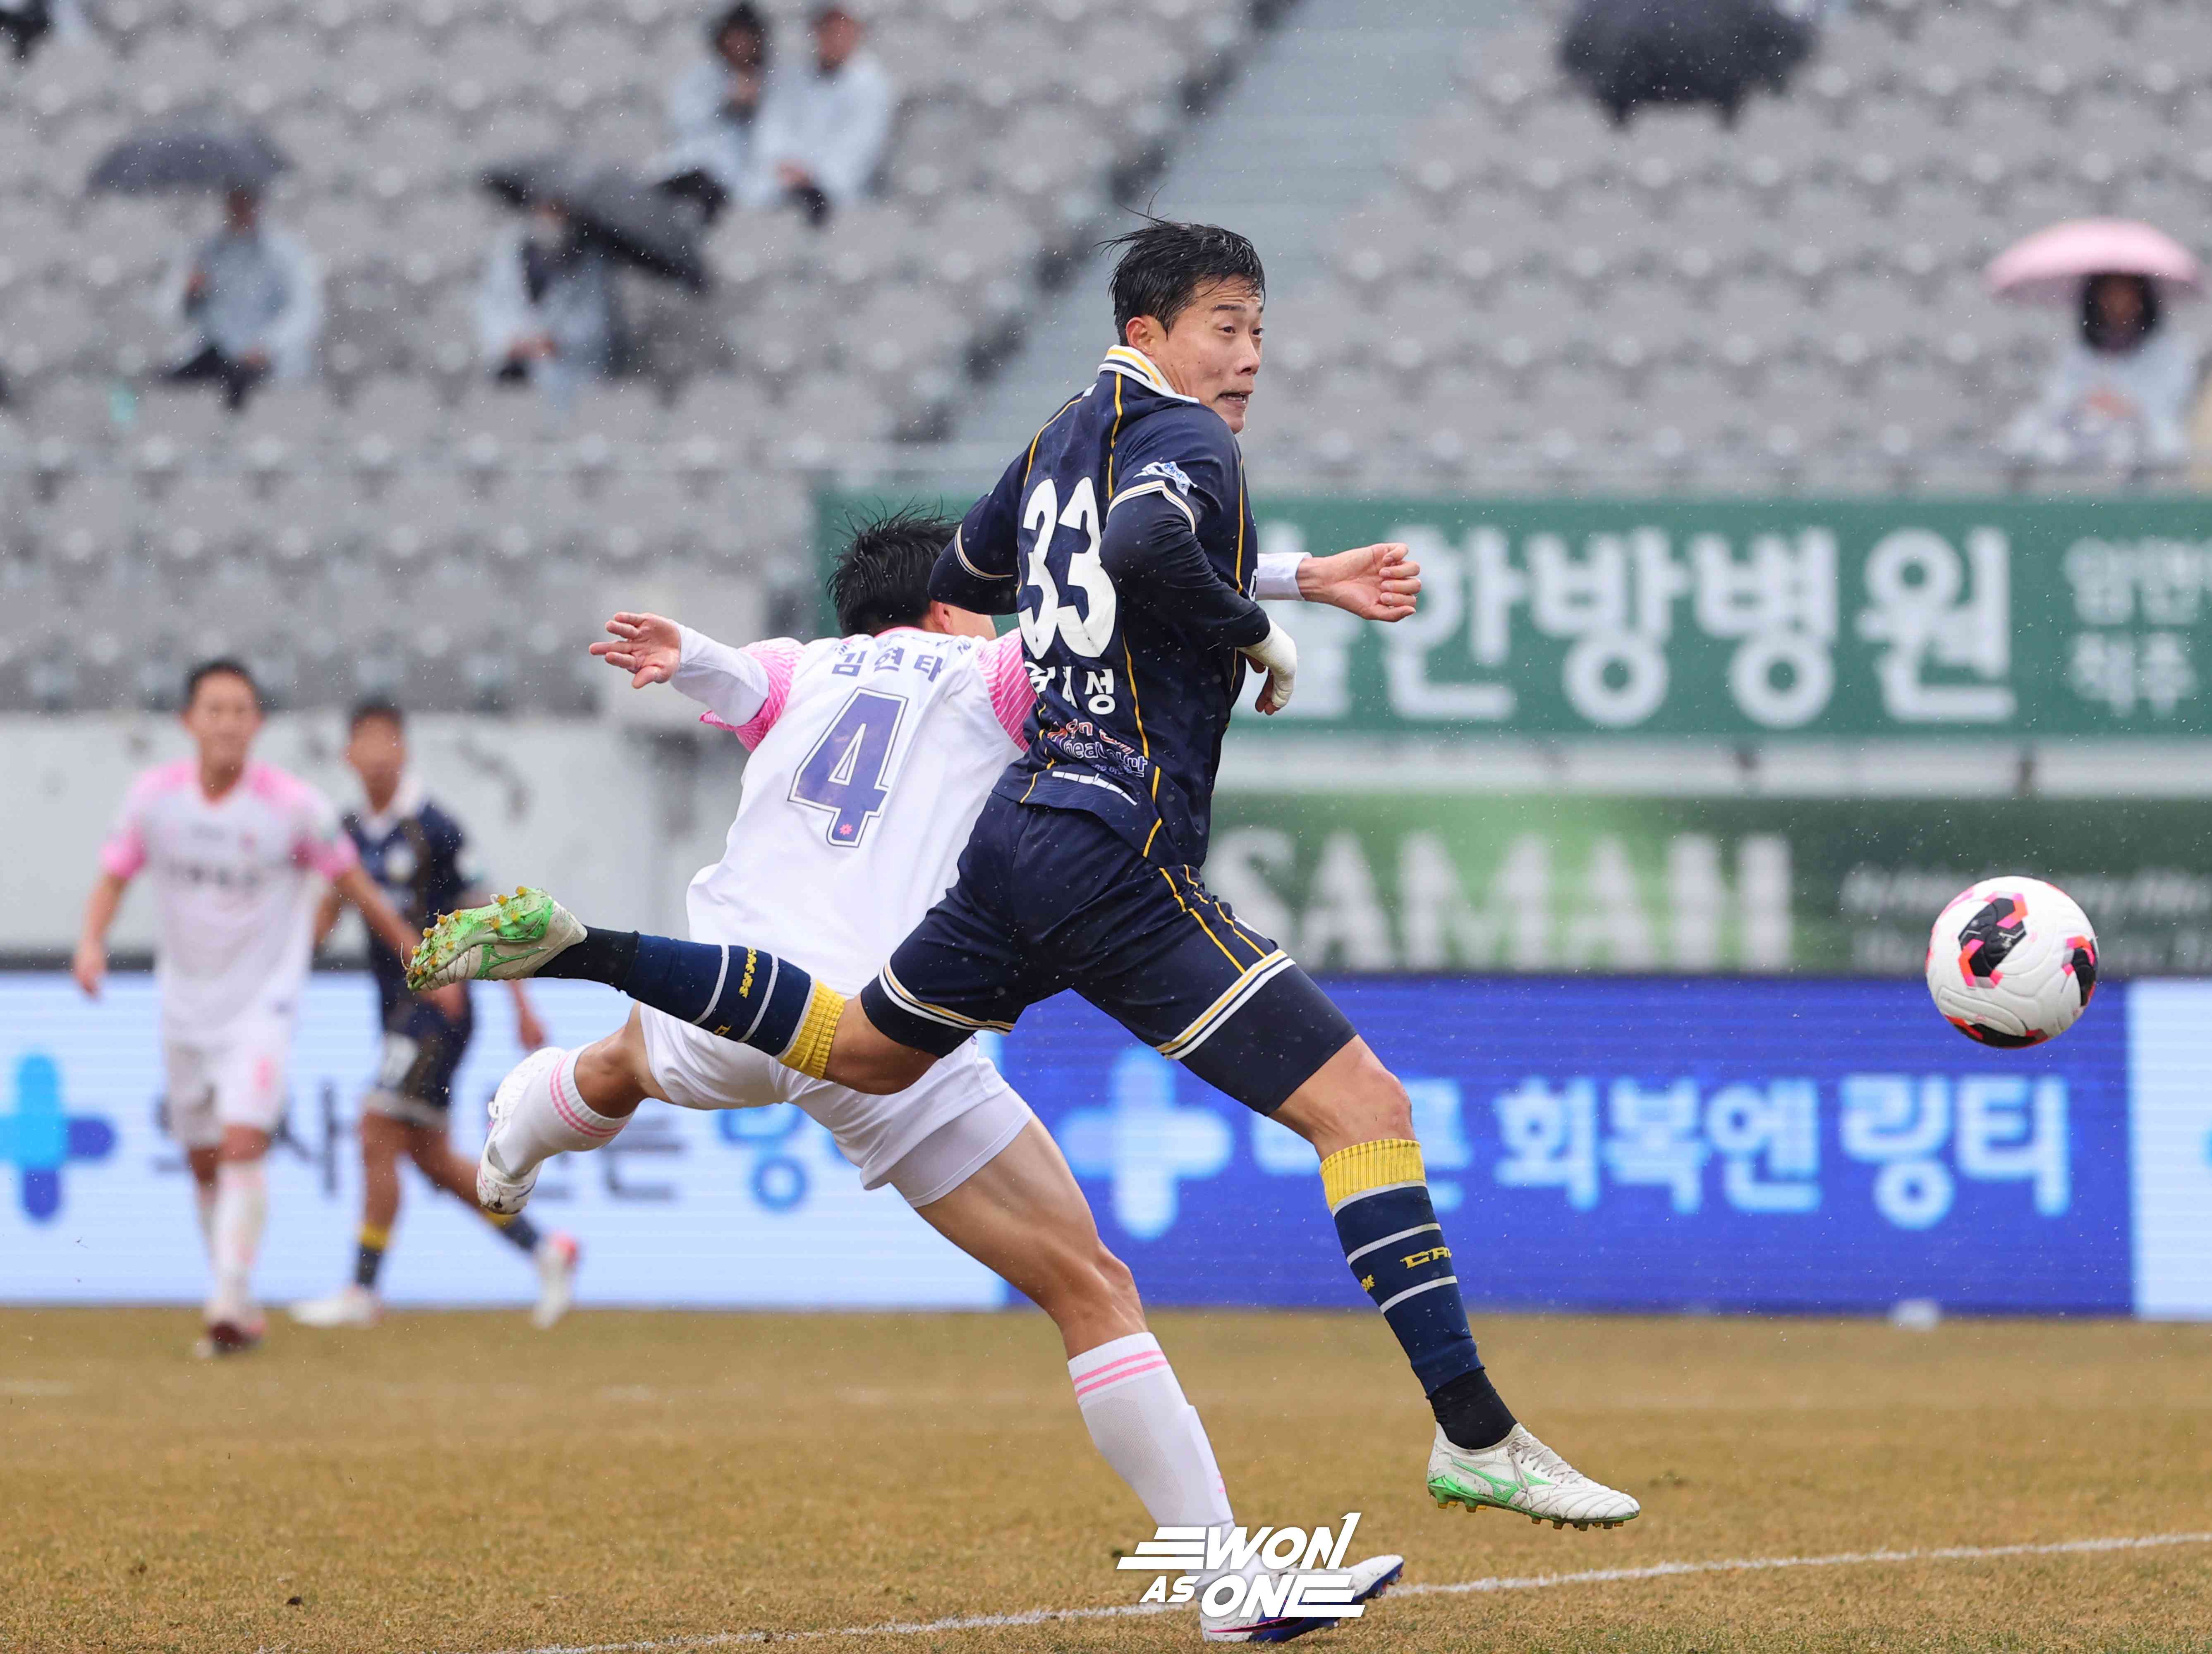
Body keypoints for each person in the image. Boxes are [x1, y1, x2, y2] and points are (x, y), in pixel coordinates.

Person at [412, 222, 1640, 1531]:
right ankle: (1462, 1437)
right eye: (1228, 327)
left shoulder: (980, 511)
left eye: (1257, 332)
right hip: (1091, 860)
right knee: (1337, 1123)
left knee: (753, 1059)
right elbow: (1138, 557)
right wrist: (1267, 621)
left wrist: (694, 656)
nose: (1248, 356)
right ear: (1151, 332)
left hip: (834, 948)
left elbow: (917, 594)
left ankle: (582, 963)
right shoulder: (1112, 530)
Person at [438, 510, 1411, 1639]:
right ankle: (1224, 1586)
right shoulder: (987, 671)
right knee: (1090, 1287)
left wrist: (687, 652)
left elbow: (728, 672)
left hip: (735, 995)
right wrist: (1303, 579)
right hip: (880, 1031)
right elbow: (1136, 581)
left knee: (622, 1061)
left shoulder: (800, 672)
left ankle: (515, 1137)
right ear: (948, 605)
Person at [74, 660, 419, 1359]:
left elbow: (353, 882)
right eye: (215, 709)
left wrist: (416, 951)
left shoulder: (295, 807)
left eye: (240, 710)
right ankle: (236, 1295)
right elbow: (113, 877)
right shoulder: (154, 800)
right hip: (184, 1003)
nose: (228, 722)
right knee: (203, 1159)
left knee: (241, 1142)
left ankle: (228, 1299)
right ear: (189, 721)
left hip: (263, 1002)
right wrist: (91, 943)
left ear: (258, 723)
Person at [290, 701, 580, 1332]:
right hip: (393, 1009)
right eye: (365, 742)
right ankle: (546, 1250)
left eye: (387, 741)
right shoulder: (346, 831)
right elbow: (331, 909)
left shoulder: (436, 827)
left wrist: (522, 1004)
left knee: (374, 1130)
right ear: (348, 755)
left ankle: (363, 1290)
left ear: (404, 750)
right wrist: (285, 977)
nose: (376, 754)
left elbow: (490, 915)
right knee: (430, 1158)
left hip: (440, 1007)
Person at [2001, 270, 2195, 467]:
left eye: (2126, 294)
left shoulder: (2168, 352)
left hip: (2146, 458)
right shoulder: (2076, 352)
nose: (2118, 303)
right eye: (2109, 294)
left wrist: (2128, 408)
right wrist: (2085, 401)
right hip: (2078, 459)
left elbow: (2171, 411)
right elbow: (2053, 402)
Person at [157, 186, 323, 411]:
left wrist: (267, 347)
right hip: (217, 354)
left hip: (267, 360)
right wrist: (192, 294)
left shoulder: (285, 253)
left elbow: (305, 310)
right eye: (234, 203)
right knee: (167, 389)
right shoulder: (207, 251)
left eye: (245, 203)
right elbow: (178, 314)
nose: (239, 211)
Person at [748, 3, 893, 228]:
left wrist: (815, 175)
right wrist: (784, 165)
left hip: (839, 191)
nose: (835, 38)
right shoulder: (790, 75)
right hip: (782, 181)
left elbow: (862, 144)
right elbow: (772, 124)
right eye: (829, 30)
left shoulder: (872, 84)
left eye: (843, 31)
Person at [474, 201, 619, 407]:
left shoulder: (588, 259)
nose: (550, 219)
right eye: (545, 210)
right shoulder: (510, 249)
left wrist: (557, 343)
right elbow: (489, 303)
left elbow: (597, 322)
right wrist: (509, 341)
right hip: (513, 377)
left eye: (557, 211)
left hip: (573, 381)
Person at [654, 0, 774, 223]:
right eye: (734, 37)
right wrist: (728, 105)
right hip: (689, 169)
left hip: (735, 183)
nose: (740, 45)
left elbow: (774, 139)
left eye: (747, 38)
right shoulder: (701, 76)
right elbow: (682, 120)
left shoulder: (772, 82)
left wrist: (752, 107)